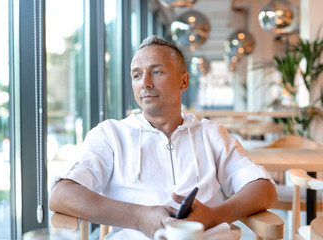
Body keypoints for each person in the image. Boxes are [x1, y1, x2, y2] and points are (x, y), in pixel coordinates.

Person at [49, 35, 277, 239]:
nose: (145, 83)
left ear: (184, 81)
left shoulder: (212, 134)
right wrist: (139, 217)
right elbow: (61, 194)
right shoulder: (110, 135)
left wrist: (213, 216)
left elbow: (264, 189)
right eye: (137, 75)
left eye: (156, 72)